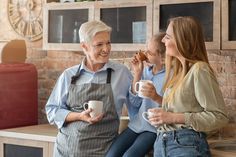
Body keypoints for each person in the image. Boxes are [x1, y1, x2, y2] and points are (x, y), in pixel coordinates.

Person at [45, 20, 133, 157]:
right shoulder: (69, 75)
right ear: (84, 47)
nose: (106, 49)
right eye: (99, 45)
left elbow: (136, 109)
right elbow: (52, 110)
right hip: (66, 150)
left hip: (103, 151)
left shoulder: (122, 74)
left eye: (108, 43)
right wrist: (79, 116)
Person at [146, 16, 229, 157]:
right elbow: (182, 108)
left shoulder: (199, 69)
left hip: (184, 144)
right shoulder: (177, 73)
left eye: (167, 36)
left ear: (181, 40)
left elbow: (219, 116)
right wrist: (162, 114)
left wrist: (172, 118)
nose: (163, 40)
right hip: (162, 143)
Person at [106, 32, 166, 157]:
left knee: (129, 156)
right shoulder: (146, 71)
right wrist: (137, 73)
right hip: (136, 125)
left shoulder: (170, 76)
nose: (145, 54)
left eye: (150, 52)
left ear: (162, 57)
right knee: (111, 155)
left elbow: (173, 105)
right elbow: (135, 102)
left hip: (153, 129)